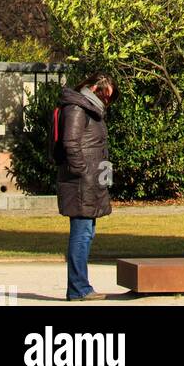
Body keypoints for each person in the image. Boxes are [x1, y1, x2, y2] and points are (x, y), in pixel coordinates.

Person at [55, 71, 117, 301]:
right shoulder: (77, 108)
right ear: (93, 89)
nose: (107, 101)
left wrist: (101, 176)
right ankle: (79, 289)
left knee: (87, 233)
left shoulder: (90, 109)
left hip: (92, 180)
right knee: (81, 234)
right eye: (105, 95)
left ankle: (80, 287)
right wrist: (83, 172)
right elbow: (70, 143)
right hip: (81, 182)